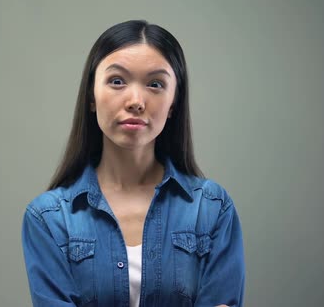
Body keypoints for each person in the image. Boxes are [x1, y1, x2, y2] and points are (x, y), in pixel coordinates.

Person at [21, 20, 245, 307]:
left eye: (155, 84)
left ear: (174, 102)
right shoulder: (49, 218)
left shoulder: (212, 209)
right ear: (91, 94)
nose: (136, 101)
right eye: (117, 81)